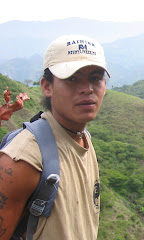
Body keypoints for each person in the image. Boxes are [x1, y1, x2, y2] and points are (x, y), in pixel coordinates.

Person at [0, 34, 110, 239]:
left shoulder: (84, 137)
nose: (87, 89)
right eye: (72, 79)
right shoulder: (23, 159)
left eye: (95, 78)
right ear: (47, 86)